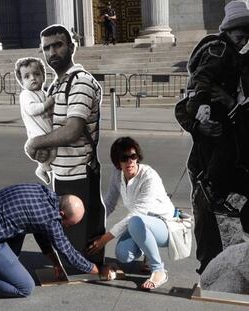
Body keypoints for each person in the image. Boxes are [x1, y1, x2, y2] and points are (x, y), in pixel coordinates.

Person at [175, 0, 249, 274]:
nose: (244, 37)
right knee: (208, 227)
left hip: (240, 172)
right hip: (210, 164)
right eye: (239, 31)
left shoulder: (239, 59)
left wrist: (234, 105)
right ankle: (209, 268)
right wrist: (199, 120)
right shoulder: (227, 55)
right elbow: (184, 107)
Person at [25, 24, 106, 266]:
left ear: (71, 47)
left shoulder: (80, 82)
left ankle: (85, 269)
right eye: (46, 48)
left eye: (58, 45)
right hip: (62, 172)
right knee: (68, 235)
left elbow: (72, 131)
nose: (52, 52)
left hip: (78, 172)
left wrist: (35, 143)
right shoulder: (56, 85)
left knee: (78, 237)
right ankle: (78, 267)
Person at [0, 183, 112, 298]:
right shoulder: (49, 218)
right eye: (69, 224)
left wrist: (55, 262)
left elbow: (39, 230)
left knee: (23, 229)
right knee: (25, 287)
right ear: (62, 214)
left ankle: (1, 268)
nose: (67, 228)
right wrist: (98, 270)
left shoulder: (41, 192)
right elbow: (68, 253)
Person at [87, 137, 175, 290]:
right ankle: (147, 248)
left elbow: (136, 214)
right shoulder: (117, 174)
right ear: (117, 162)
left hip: (165, 226)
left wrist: (104, 239)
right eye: (124, 158)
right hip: (140, 224)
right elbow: (109, 203)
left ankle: (159, 270)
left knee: (135, 220)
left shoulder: (149, 177)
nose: (130, 162)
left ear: (137, 157)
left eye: (133, 156)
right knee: (123, 255)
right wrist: (94, 227)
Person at [184, 0, 249, 206]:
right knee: (224, 142)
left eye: (246, 39)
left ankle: (214, 185)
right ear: (229, 32)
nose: (243, 43)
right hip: (209, 105)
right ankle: (212, 184)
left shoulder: (234, 54)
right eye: (240, 38)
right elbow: (201, 79)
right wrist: (202, 103)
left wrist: (232, 104)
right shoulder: (219, 50)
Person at [15, 57, 56, 184]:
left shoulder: (43, 93)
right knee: (52, 151)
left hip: (47, 133)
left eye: (37, 74)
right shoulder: (25, 95)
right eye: (27, 76)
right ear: (21, 81)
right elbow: (32, 109)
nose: (33, 78)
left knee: (54, 151)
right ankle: (42, 168)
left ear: (43, 77)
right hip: (37, 136)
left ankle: (43, 168)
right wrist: (47, 104)